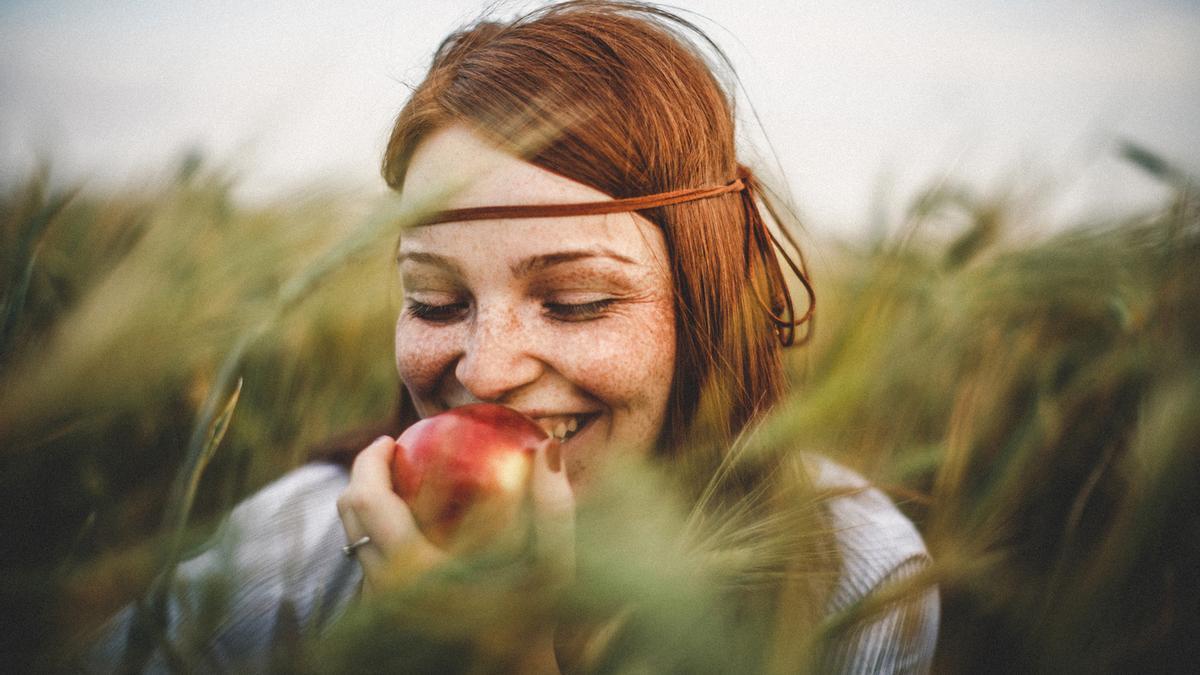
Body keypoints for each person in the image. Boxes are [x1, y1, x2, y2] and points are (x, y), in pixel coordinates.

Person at [89, 1, 937, 672]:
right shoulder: (285, 560)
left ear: (706, 308)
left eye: (572, 301)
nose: (487, 370)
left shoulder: (848, 574)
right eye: (433, 299)